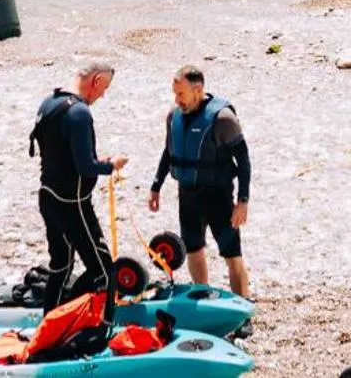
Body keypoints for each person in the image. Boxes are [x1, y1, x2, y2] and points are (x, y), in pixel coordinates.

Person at [30, 61, 128, 311]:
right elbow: (85, 167)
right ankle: (105, 327)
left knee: (61, 266)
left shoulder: (50, 102)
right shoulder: (80, 112)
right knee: (104, 271)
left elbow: (63, 153)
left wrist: (97, 163)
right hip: (72, 204)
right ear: (95, 81)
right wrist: (111, 166)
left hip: (48, 196)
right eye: (104, 88)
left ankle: (48, 326)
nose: (103, 94)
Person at [148, 66, 253, 298]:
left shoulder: (223, 119)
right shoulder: (173, 116)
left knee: (232, 256)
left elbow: (243, 160)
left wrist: (242, 201)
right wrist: (156, 186)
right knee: (194, 250)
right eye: (175, 94)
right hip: (187, 195)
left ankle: (243, 308)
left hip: (218, 196)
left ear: (198, 90)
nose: (177, 100)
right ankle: (204, 296)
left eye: (181, 94)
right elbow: (169, 152)